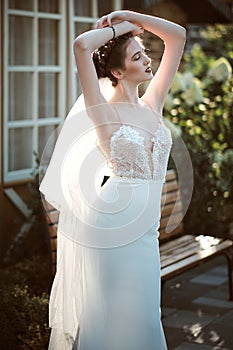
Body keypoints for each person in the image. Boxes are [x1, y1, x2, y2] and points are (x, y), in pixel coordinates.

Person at [40, 10, 186, 350]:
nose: (148, 59)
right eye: (137, 55)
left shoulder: (153, 105)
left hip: (146, 231)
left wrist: (132, 17)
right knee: (108, 321)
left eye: (145, 52)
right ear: (118, 71)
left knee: (145, 316)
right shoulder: (102, 112)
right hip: (110, 227)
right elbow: (81, 46)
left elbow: (176, 36)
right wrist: (119, 29)